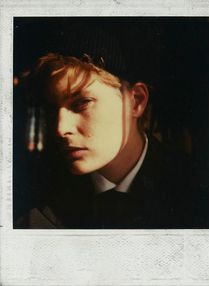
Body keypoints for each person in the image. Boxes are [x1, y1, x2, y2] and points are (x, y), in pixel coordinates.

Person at [14, 24, 195, 229]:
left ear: (135, 101)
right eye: (52, 109)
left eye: (81, 103)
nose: (60, 128)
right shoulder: (34, 210)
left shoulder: (202, 193)